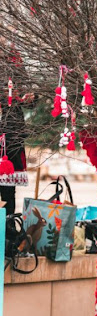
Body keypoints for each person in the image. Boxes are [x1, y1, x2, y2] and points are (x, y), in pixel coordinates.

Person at [0, 80, 36, 215]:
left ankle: (7, 229)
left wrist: (29, 96)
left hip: (11, 147)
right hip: (9, 143)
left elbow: (30, 102)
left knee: (8, 192)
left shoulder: (16, 67)